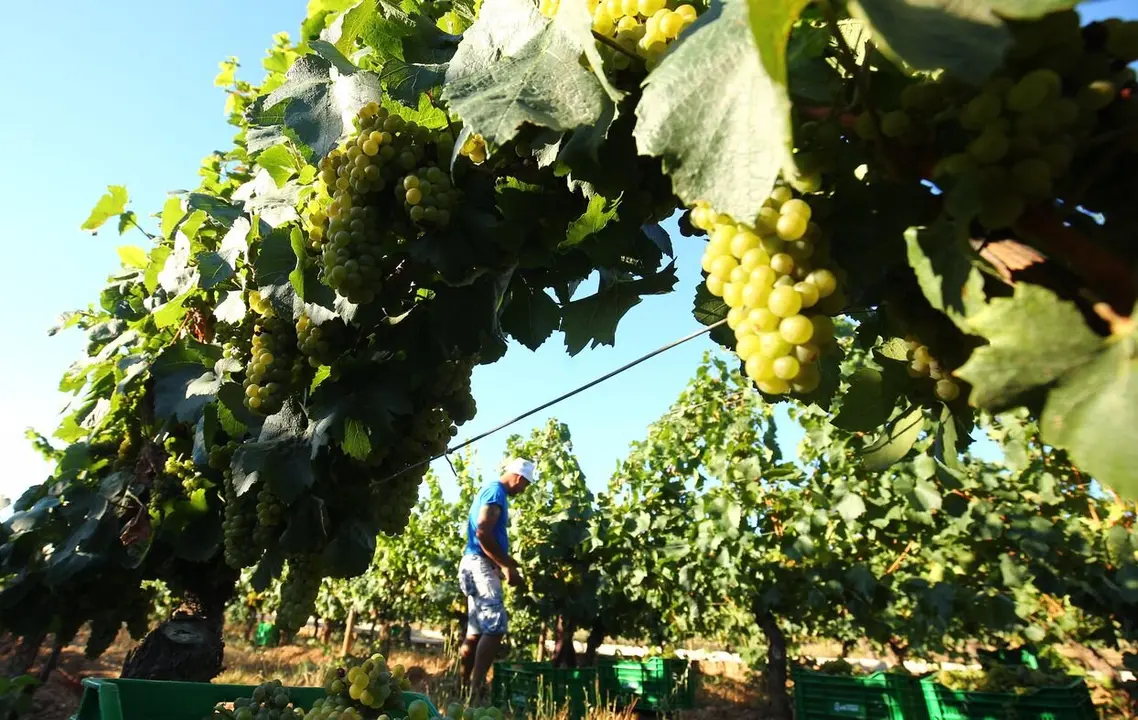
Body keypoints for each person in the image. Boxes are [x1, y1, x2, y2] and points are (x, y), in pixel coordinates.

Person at [458, 457, 534, 697]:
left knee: (476, 630)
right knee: (495, 628)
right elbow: (483, 533)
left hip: (475, 563)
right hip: (479, 564)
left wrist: (499, 566)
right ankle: (476, 689)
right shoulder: (495, 493)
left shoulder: (492, 491)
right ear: (519, 478)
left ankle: (461, 685)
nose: (523, 491)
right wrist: (509, 565)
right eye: (525, 486)